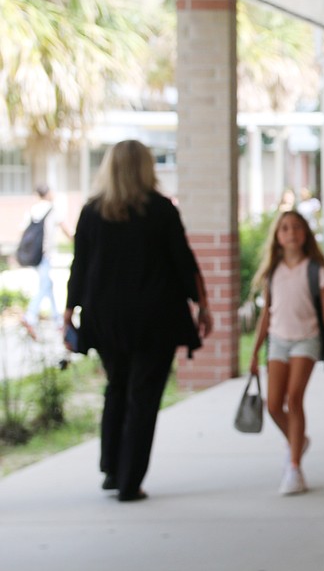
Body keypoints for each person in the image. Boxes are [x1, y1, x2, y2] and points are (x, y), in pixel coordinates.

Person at [63, 140, 213, 502]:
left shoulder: (91, 212)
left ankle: (113, 471)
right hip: (154, 320)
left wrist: (69, 312)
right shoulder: (161, 210)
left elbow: (80, 265)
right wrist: (202, 304)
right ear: (146, 167)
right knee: (142, 397)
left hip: (106, 319)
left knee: (116, 388)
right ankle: (130, 481)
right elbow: (183, 261)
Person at [249, 210, 324, 495]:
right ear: (277, 237)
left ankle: (294, 468)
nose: (291, 232)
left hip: (306, 342)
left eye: (297, 227)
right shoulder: (273, 272)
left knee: (293, 400)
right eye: (284, 228)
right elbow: (265, 317)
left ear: (305, 234)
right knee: (273, 405)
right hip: (277, 341)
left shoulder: (316, 271)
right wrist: (255, 351)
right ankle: (298, 440)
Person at [21, 184, 71, 341]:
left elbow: (22, 231)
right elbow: (65, 228)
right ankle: (30, 315)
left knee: (48, 285)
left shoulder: (33, 209)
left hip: (34, 254)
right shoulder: (51, 209)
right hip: (44, 254)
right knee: (45, 286)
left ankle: (57, 319)